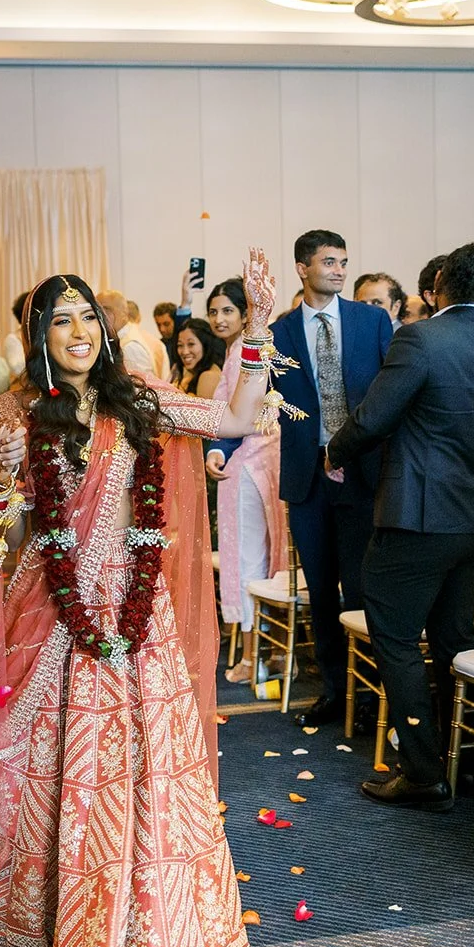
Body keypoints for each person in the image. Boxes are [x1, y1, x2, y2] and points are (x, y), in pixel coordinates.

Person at [0, 256, 285, 947]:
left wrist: (258, 332)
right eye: (60, 321)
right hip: (55, 611)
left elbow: (235, 417)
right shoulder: (19, 411)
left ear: (104, 330)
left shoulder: (139, 398)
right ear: (38, 337)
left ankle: (150, 921)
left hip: (139, 617)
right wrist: (0, 480)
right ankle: (51, 906)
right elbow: (4, 534)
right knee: (50, 761)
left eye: (87, 319)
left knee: (147, 766)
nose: (77, 333)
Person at [326, 243, 474, 809]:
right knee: (454, 638)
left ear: (438, 287)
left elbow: (374, 418)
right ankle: (463, 763)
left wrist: (333, 453)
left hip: (419, 515)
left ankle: (423, 771)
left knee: (395, 635)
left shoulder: (420, 338)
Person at [270, 229, 394, 727]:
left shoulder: (371, 320)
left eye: (343, 261)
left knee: (362, 589)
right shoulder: (277, 333)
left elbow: (390, 391)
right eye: (328, 262)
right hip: (308, 474)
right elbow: (256, 395)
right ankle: (334, 689)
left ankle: (368, 696)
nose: (339, 270)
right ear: (303, 268)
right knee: (321, 590)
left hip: (362, 470)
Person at [202, 279, 282, 684]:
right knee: (260, 559)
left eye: (227, 311)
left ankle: (255, 658)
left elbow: (242, 414)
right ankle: (269, 652)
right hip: (258, 460)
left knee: (248, 561)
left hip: (250, 462)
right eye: (213, 312)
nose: (219, 318)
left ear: (246, 313)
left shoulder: (248, 351)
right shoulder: (240, 350)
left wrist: (220, 450)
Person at [175, 317, 224, 398]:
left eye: (191, 344)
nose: (185, 352)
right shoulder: (191, 372)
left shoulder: (208, 376)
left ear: (205, 345)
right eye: (180, 345)